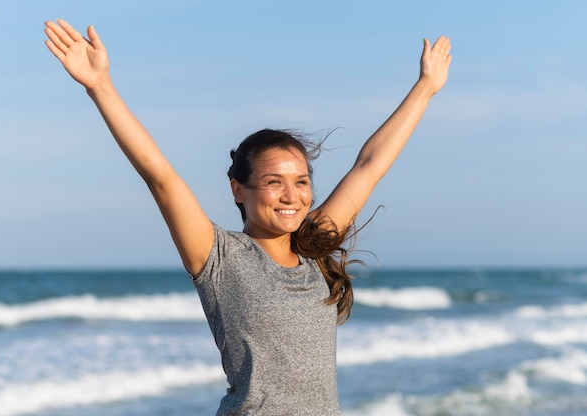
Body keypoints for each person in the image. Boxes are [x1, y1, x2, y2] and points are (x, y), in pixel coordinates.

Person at [44, 19, 451, 415]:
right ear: (239, 190)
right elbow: (160, 176)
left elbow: (369, 165)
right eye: (274, 182)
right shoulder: (220, 256)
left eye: (302, 182)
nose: (292, 196)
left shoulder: (314, 246)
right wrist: (100, 86)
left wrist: (425, 89)